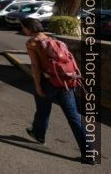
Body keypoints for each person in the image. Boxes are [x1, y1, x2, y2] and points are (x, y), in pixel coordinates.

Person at [22, 17, 96, 164]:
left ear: (29, 28)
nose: (23, 30)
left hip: (48, 82)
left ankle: (39, 134)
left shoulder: (32, 43)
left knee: (43, 109)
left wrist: (37, 86)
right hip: (66, 82)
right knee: (73, 117)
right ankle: (89, 153)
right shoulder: (53, 39)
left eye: (23, 27)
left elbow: (36, 67)